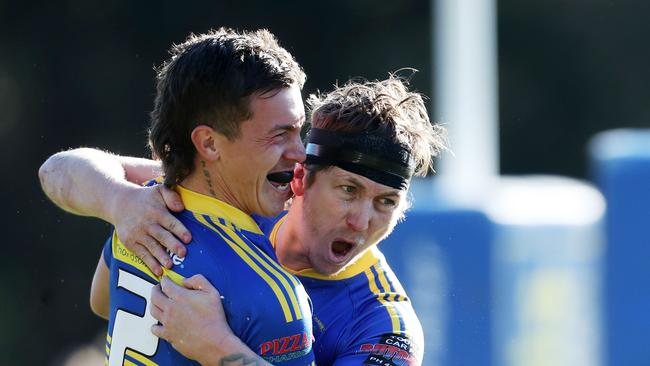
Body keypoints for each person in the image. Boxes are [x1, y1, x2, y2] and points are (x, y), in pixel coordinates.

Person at [41, 74, 446, 365]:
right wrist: (120, 202)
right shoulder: (243, 196)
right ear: (300, 177)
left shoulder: (384, 328)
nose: (362, 221)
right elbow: (60, 170)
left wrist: (219, 349)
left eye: (386, 202)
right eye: (348, 191)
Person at [40, 28, 318, 366]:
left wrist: (118, 200)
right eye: (280, 135)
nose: (300, 152)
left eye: (299, 130)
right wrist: (219, 349)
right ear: (209, 143)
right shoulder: (271, 292)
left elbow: (101, 302)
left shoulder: (139, 217)